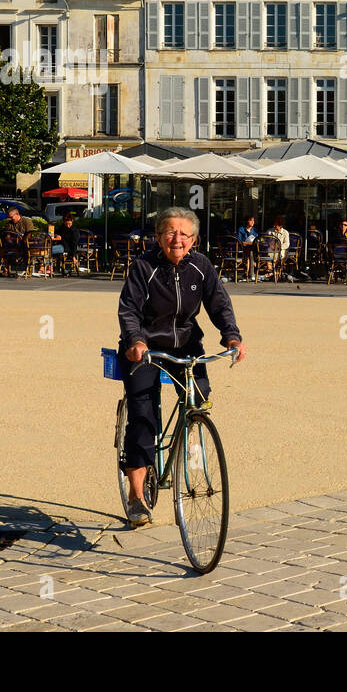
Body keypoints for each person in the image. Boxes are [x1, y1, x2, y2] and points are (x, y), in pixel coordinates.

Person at [117, 207, 245, 527]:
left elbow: (219, 302)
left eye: (184, 234)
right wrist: (135, 341)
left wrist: (231, 337)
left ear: (194, 240)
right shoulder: (143, 266)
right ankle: (137, 497)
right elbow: (129, 309)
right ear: (159, 237)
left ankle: (189, 436)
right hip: (144, 348)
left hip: (186, 344)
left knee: (199, 397)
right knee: (143, 418)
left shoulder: (201, 267)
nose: (177, 239)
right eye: (170, 233)